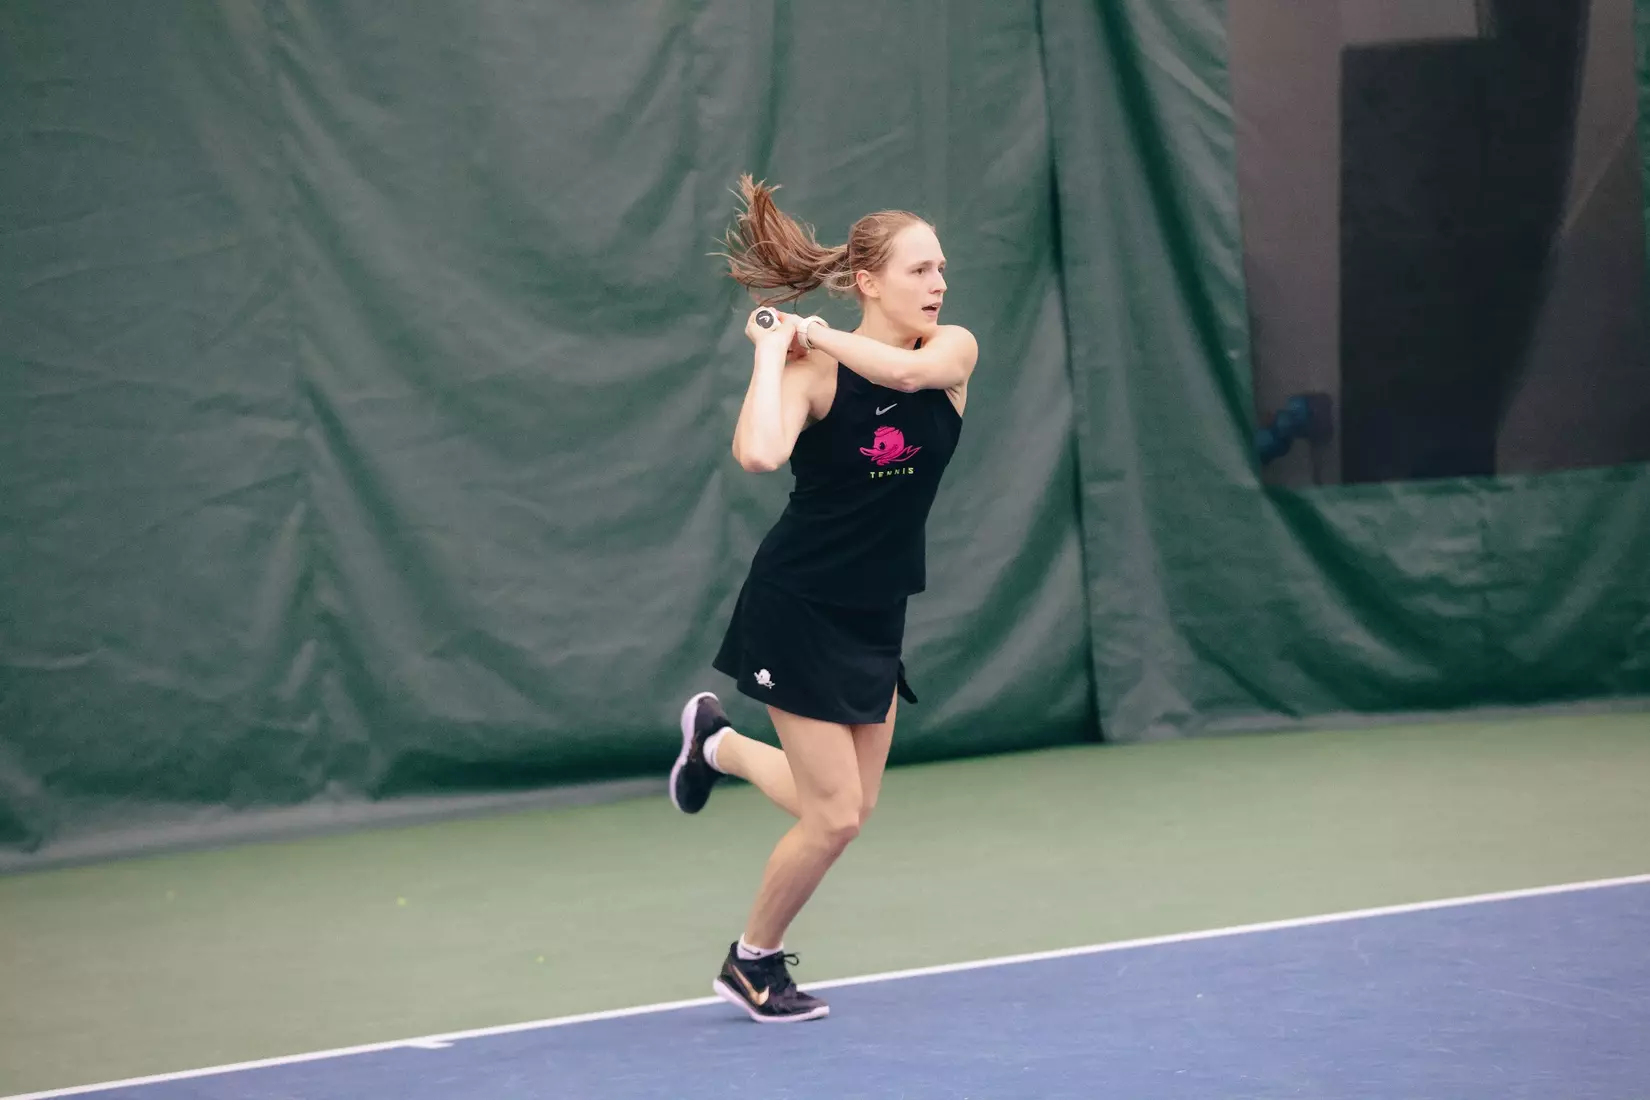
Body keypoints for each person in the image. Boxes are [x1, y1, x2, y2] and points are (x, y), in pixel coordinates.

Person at [667, 175, 976, 1023]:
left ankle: (716, 747)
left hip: (877, 610)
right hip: (797, 604)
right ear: (872, 282)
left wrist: (820, 333)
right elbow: (761, 455)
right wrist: (774, 356)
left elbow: (903, 377)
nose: (938, 284)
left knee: (840, 805)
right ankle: (751, 962)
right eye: (919, 270)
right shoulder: (811, 373)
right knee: (834, 815)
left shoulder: (950, 353)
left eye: (941, 268)